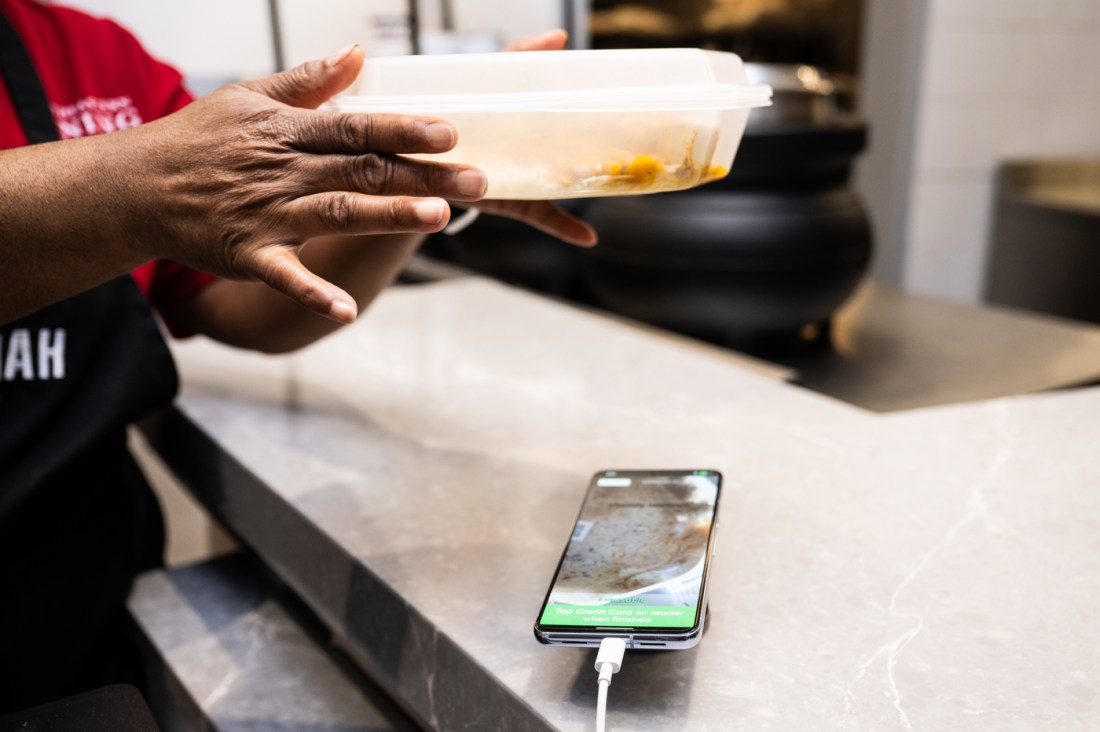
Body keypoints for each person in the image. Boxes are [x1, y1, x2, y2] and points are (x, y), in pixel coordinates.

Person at [0, 0, 596, 714]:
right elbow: (149, 189)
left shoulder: (90, 52)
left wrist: (420, 179)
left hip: (77, 597)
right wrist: (135, 185)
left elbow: (242, 304)